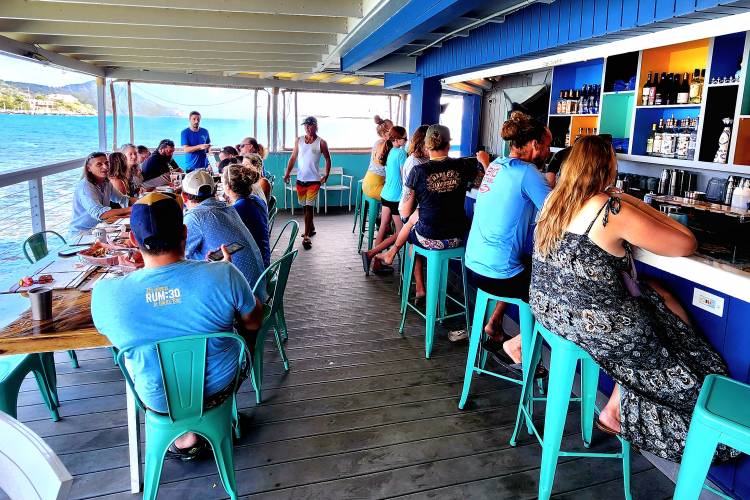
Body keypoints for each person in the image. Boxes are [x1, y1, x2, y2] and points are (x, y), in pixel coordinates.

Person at [530, 135, 737, 462]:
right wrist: (629, 199)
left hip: (549, 312)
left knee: (655, 296)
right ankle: (625, 405)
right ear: (608, 167)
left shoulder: (554, 200)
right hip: (592, 324)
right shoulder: (610, 208)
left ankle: (617, 399)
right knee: (663, 329)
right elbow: (686, 243)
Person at [91, 192, 264, 460]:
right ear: (184, 232)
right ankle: (210, 425)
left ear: (133, 240)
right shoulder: (224, 274)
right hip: (219, 390)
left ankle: (184, 437)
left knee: (132, 355)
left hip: (157, 401)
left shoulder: (106, 294)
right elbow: (253, 320)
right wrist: (220, 277)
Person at [464, 111, 552, 373]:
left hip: (474, 266)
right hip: (498, 276)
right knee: (556, 292)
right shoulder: (528, 173)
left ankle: (493, 323)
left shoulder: (495, 165)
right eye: (547, 145)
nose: (548, 150)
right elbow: (557, 213)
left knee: (523, 265)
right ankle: (516, 346)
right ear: (535, 145)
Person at [377, 124, 490, 301]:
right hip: (457, 238)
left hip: (429, 237)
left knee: (413, 229)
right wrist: (485, 162)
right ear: (448, 145)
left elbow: (405, 210)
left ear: (427, 145)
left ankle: (418, 285)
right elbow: (487, 184)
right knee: (417, 219)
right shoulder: (462, 165)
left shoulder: (418, 170)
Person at [181, 170, 268, 302]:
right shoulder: (229, 208)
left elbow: (177, 256)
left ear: (184, 196)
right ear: (215, 191)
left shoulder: (195, 217)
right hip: (259, 290)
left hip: (244, 305)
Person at [360, 125, 408, 275]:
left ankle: (375, 264)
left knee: (382, 228)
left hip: (386, 194)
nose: (406, 141)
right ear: (396, 140)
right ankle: (371, 254)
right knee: (402, 233)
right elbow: (404, 177)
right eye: (404, 138)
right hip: (395, 196)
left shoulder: (390, 152)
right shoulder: (401, 153)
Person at [283, 116, 332, 250]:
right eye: (305, 126)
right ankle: (312, 227)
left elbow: (328, 159)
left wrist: (326, 174)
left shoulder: (321, 142)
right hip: (301, 179)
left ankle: (306, 236)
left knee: (309, 207)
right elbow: (293, 157)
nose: (307, 128)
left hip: (314, 180)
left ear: (316, 126)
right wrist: (287, 173)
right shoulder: (299, 140)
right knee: (304, 206)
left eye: (310, 125)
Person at [69, 152, 135, 235]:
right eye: (99, 164)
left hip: (99, 229)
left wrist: (145, 201)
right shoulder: (85, 186)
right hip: (82, 234)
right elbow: (100, 213)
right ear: (89, 168)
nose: (105, 167)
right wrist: (130, 209)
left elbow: (123, 199)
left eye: (107, 163)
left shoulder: (106, 182)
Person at [222, 163, 271, 268]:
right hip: (264, 259)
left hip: (255, 267)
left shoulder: (237, 209)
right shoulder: (256, 199)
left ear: (228, 187)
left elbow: (234, 244)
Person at [361, 115, 393, 201]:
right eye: (392, 130)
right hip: (375, 186)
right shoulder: (387, 146)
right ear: (383, 134)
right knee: (397, 198)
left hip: (367, 182)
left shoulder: (377, 142)